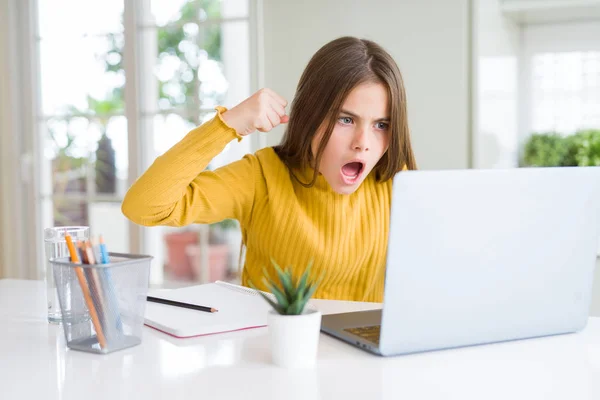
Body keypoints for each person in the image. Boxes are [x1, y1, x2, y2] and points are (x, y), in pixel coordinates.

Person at [122, 36, 417, 302]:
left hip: (365, 359)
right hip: (271, 354)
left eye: (381, 124)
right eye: (346, 120)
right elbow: (144, 207)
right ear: (311, 115)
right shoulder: (261, 177)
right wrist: (227, 125)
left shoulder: (397, 183)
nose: (363, 144)